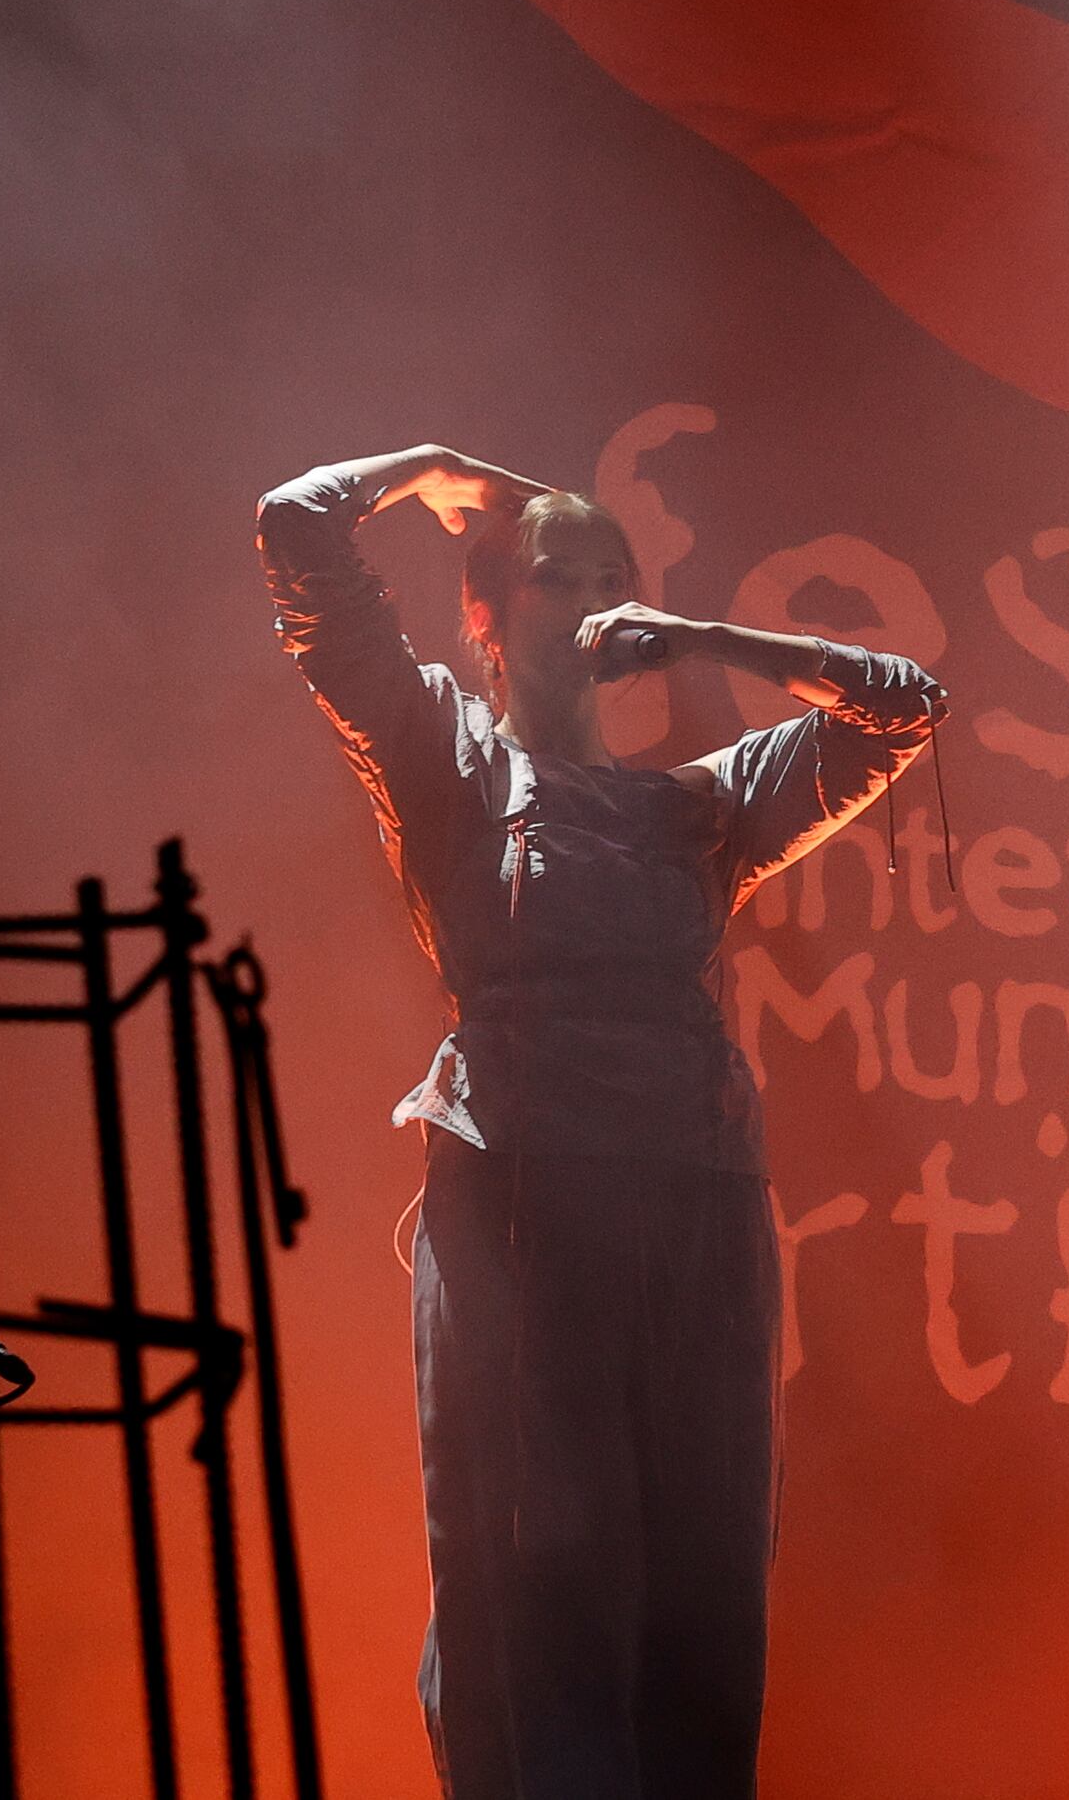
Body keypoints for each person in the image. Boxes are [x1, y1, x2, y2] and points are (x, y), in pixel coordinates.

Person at [258, 442, 946, 1800]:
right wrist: (435, 470)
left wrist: (699, 634)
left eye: (608, 580)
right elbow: (296, 526)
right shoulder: (448, 754)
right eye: (549, 579)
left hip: (699, 1198)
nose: (582, 604)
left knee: (701, 1586)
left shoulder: (701, 802)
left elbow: (902, 707)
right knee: (536, 1573)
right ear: (484, 613)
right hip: (524, 1194)